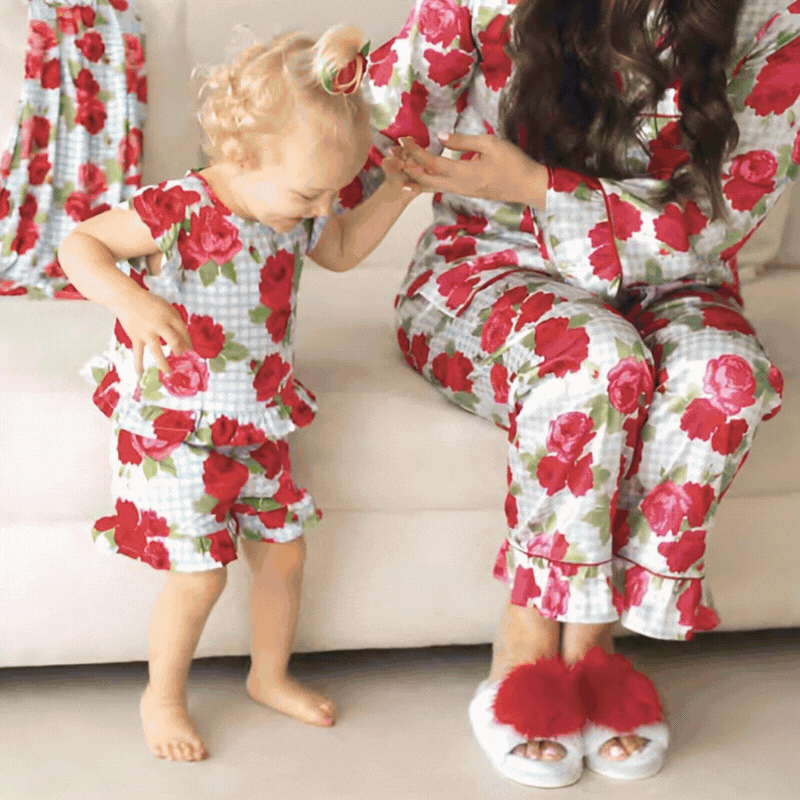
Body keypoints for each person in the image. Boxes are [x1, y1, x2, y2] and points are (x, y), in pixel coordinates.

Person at [337, 0, 790, 787]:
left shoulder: (775, 18)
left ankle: (592, 642)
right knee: (595, 361)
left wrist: (547, 187)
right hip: (485, 264)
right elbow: (380, 124)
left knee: (727, 380)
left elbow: (721, 217)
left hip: (672, 277)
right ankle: (529, 643)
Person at [58, 25, 419, 763]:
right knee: (199, 576)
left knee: (284, 555)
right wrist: (129, 300)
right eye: (309, 192)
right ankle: (161, 694)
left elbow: (343, 247)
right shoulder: (178, 207)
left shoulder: (296, 207)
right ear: (240, 156)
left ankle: (269, 675)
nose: (321, 208)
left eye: (333, 191)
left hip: (257, 416)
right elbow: (80, 246)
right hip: (176, 423)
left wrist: (399, 193)